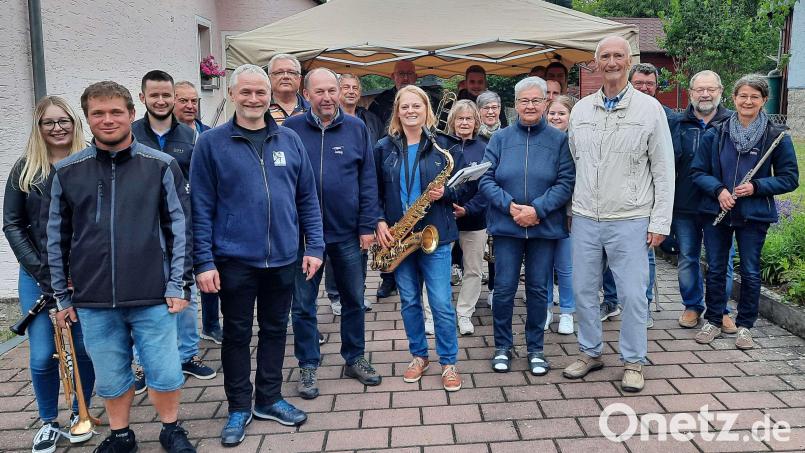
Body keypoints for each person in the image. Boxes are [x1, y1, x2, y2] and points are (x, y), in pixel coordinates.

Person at [47, 81, 196, 453]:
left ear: (132, 113)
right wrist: (60, 298)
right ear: (88, 118)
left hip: (153, 294)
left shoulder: (160, 165)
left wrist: (178, 284)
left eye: (116, 112)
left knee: (164, 372)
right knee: (111, 376)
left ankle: (171, 429)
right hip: (93, 297)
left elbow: (179, 228)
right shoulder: (67, 171)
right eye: (98, 113)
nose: (108, 119)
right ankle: (121, 435)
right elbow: (56, 238)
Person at [191, 64, 324, 446]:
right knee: (235, 334)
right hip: (233, 260)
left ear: (269, 96)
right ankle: (238, 407)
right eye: (245, 92)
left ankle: (268, 398)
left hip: (283, 258)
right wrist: (204, 261)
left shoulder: (289, 140)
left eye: (260, 93)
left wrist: (313, 246)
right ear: (231, 94)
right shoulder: (211, 144)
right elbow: (200, 207)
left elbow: (307, 199)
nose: (253, 99)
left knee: (274, 329)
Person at [563, 36, 674, 393]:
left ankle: (634, 361)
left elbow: (663, 170)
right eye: (605, 56)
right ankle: (590, 352)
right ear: (596, 64)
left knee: (631, 295)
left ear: (629, 61)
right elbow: (573, 162)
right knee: (582, 290)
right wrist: (570, 212)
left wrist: (659, 222)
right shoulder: (580, 110)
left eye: (618, 56)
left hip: (631, 218)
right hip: (584, 218)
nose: (611, 62)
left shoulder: (649, 110)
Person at [3, 96, 96, 453]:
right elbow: (13, 224)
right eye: (48, 122)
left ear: (75, 123)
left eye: (64, 121)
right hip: (38, 277)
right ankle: (47, 421)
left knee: (83, 351)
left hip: (85, 276)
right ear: (38, 128)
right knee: (43, 354)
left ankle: (80, 414)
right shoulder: (25, 168)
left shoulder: (91, 162)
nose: (57, 128)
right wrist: (43, 271)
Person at [284, 68, 382, 399]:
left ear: (339, 92)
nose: (327, 97)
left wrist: (367, 225)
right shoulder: (291, 128)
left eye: (332, 91)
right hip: (305, 237)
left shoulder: (356, 128)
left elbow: (368, 179)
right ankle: (308, 364)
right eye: (319, 91)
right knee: (303, 304)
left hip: (348, 234)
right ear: (306, 93)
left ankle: (354, 358)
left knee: (354, 299)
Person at [691, 74, 799, 349]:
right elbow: (697, 172)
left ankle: (745, 326)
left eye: (754, 96)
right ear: (734, 98)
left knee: (750, 272)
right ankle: (714, 319)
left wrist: (757, 186)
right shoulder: (716, 132)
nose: (748, 101)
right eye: (743, 96)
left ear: (764, 100)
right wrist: (719, 191)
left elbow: (789, 178)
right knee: (715, 268)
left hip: (754, 214)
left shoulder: (776, 137)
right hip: (718, 209)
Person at [480, 77, 575, 376]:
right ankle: (502, 347)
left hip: (543, 228)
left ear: (546, 102)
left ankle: (536, 349)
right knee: (505, 289)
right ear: (516, 104)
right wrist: (509, 206)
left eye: (536, 100)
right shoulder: (500, 139)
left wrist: (538, 210)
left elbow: (566, 181)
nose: (530, 106)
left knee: (537, 289)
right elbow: (485, 178)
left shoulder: (560, 140)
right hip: (507, 227)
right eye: (524, 100)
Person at [374, 85, 464, 391]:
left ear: (426, 109)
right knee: (410, 301)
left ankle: (449, 362)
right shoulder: (384, 147)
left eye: (417, 106)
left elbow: (465, 187)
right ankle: (418, 355)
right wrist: (379, 221)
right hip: (400, 237)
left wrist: (447, 192)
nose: (411, 112)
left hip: (435, 233)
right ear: (397, 112)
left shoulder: (445, 146)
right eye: (405, 107)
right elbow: (372, 190)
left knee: (439, 302)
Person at [131, 70, 216, 387]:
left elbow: (202, 185)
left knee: (185, 294)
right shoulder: (131, 134)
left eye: (167, 95)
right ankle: (142, 364)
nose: (162, 100)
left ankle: (186, 356)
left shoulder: (192, 137)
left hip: (182, 228)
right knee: (144, 299)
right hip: (140, 232)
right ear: (143, 98)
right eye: (155, 95)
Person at [599, 62, 673, 329]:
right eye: (639, 83)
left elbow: (665, 166)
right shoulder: (614, 111)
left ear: (656, 86)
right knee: (608, 257)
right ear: (630, 83)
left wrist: (660, 213)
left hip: (644, 204)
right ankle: (611, 300)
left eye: (649, 83)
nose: (644, 88)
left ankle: (644, 305)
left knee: (645, 260)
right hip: (611, 203)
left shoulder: (664, 115)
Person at [673, 70, 737, 331]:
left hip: (720, 205)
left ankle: (720, 310)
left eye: (711, 89)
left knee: (721, 259)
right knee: (687, 257)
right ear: (691, 93)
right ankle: (692, 306)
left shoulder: (733, 124)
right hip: (684, 204)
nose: (705, 94)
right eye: (700, 90)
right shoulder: (678, 124)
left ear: (721, 91)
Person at [174, 81, 221, 344]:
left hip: (207, 213)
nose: (190, 106)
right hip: (178, 217)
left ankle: (211, 325)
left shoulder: (208, 133)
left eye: (194, 101)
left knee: (210, 267)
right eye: (184, 101)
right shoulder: (168, 137)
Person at [370, 61, 421, 299]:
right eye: (401, 74)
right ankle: (387, 278)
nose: (405, 77)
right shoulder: (380, 101)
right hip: (390, 160)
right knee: (390, 234)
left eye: (409, 73)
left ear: (416, 76)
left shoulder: (424, 96)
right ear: (392, 76)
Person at [445, 100, 489, 335]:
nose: (464, 122)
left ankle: (464, 313)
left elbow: (488, 186)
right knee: (438, 269)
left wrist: (468, 209)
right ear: (453, 121)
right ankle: (435, 314)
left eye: (469, 119)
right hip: (443, 218)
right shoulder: (441, 146)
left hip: (474, 219)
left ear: (476, 122)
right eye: (460, 118)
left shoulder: (484, 148)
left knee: (473, 269)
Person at [544, 95, 576, 335]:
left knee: (565, 267)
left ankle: (567, 311)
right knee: (542, 266)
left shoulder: (575, 142)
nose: (556, 117)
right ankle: (544, 309)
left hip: (568, 214)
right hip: (543, 212)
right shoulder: (542, 140)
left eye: (561, 114)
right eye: (552, 113)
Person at [476, 90, 503, 307]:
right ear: (479, 112)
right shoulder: (473, 136)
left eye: (495, 107)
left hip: (497, 199)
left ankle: (494, 288)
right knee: (474, 251)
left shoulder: (507, 135)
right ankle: (472, 291)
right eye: (486, 108)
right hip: (475, 201)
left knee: (495, 249)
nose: (491, 112)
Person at [267, 54, 309, 126]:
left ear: (299, 79)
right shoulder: (260, 109)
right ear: (269, 78)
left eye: (291, 72)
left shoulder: (312, 110)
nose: (285, 76)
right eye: (279, 73)